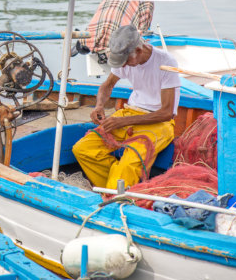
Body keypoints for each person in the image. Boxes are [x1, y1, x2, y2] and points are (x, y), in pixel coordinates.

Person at [72, 25, 180, 189]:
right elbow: (107, 85)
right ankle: (114, 189)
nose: (122, 66)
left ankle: (116, 190)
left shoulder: (166, 62)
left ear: (138, 50)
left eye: (125, 62)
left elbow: (166, 113)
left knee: (128, 163)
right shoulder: (125, 60)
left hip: (159, 123)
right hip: (130, 113)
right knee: (83, 149)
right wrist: (99, 106)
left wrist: (123, 121)